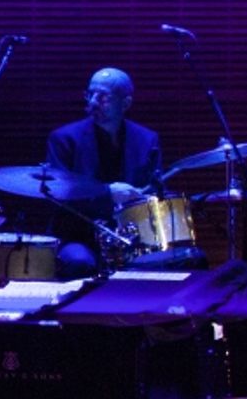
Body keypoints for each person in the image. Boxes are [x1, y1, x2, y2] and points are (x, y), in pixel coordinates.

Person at [45, 67, 162, 276]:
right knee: (79, 263)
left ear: (125, 103)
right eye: (90, 94)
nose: (92, 102)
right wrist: (107, 194)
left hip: (132, 237)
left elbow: (155, 192)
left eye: (103, 97)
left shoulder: (147, 140)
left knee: (186, 259)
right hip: (80, 235)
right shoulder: (64, 139)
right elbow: (59, 196)